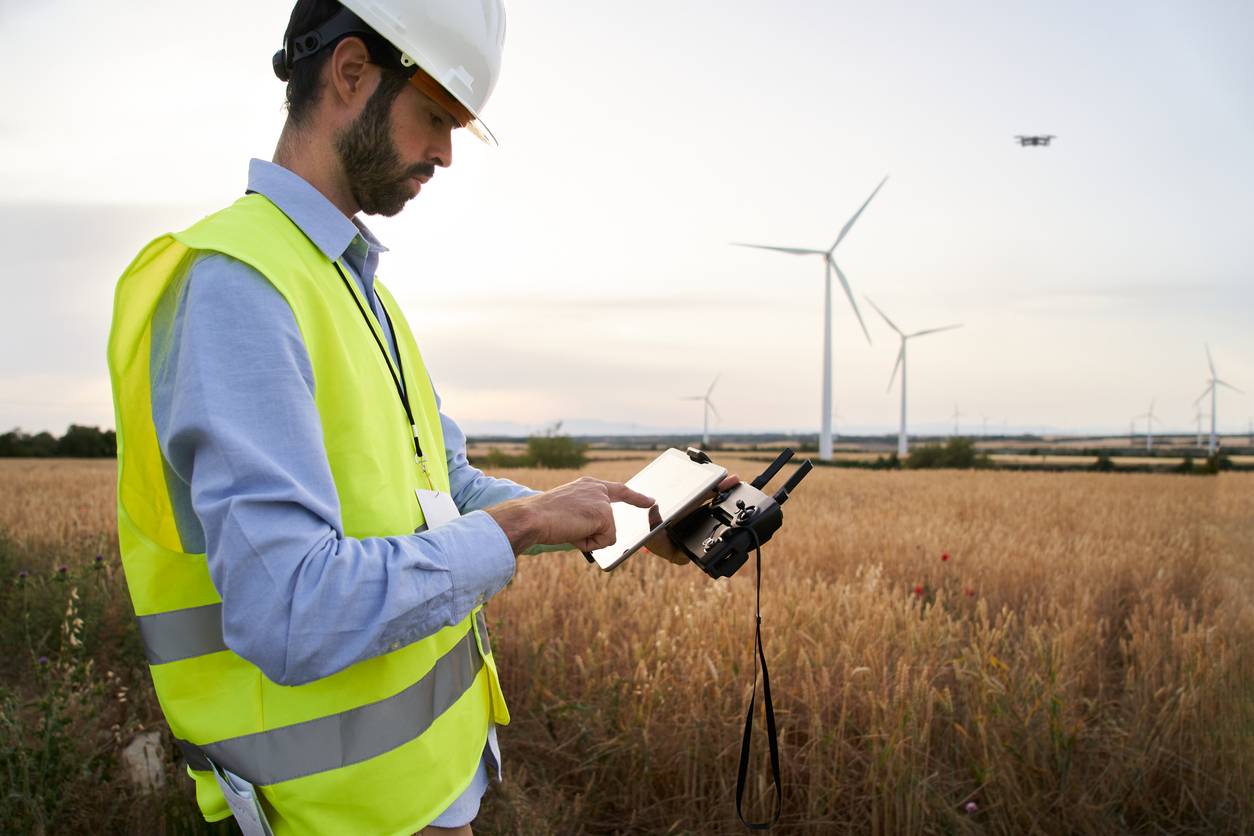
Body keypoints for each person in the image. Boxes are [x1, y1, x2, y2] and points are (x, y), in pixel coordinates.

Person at [107, 1, 719, 833]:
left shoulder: (359, 292)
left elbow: (442, 485)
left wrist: (588, 513)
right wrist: (520, 523)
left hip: (424, 793)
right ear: (352, 72)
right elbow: (291, 610)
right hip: (332, 815)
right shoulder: (238, 289)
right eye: (435, 114)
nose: (446, 152)